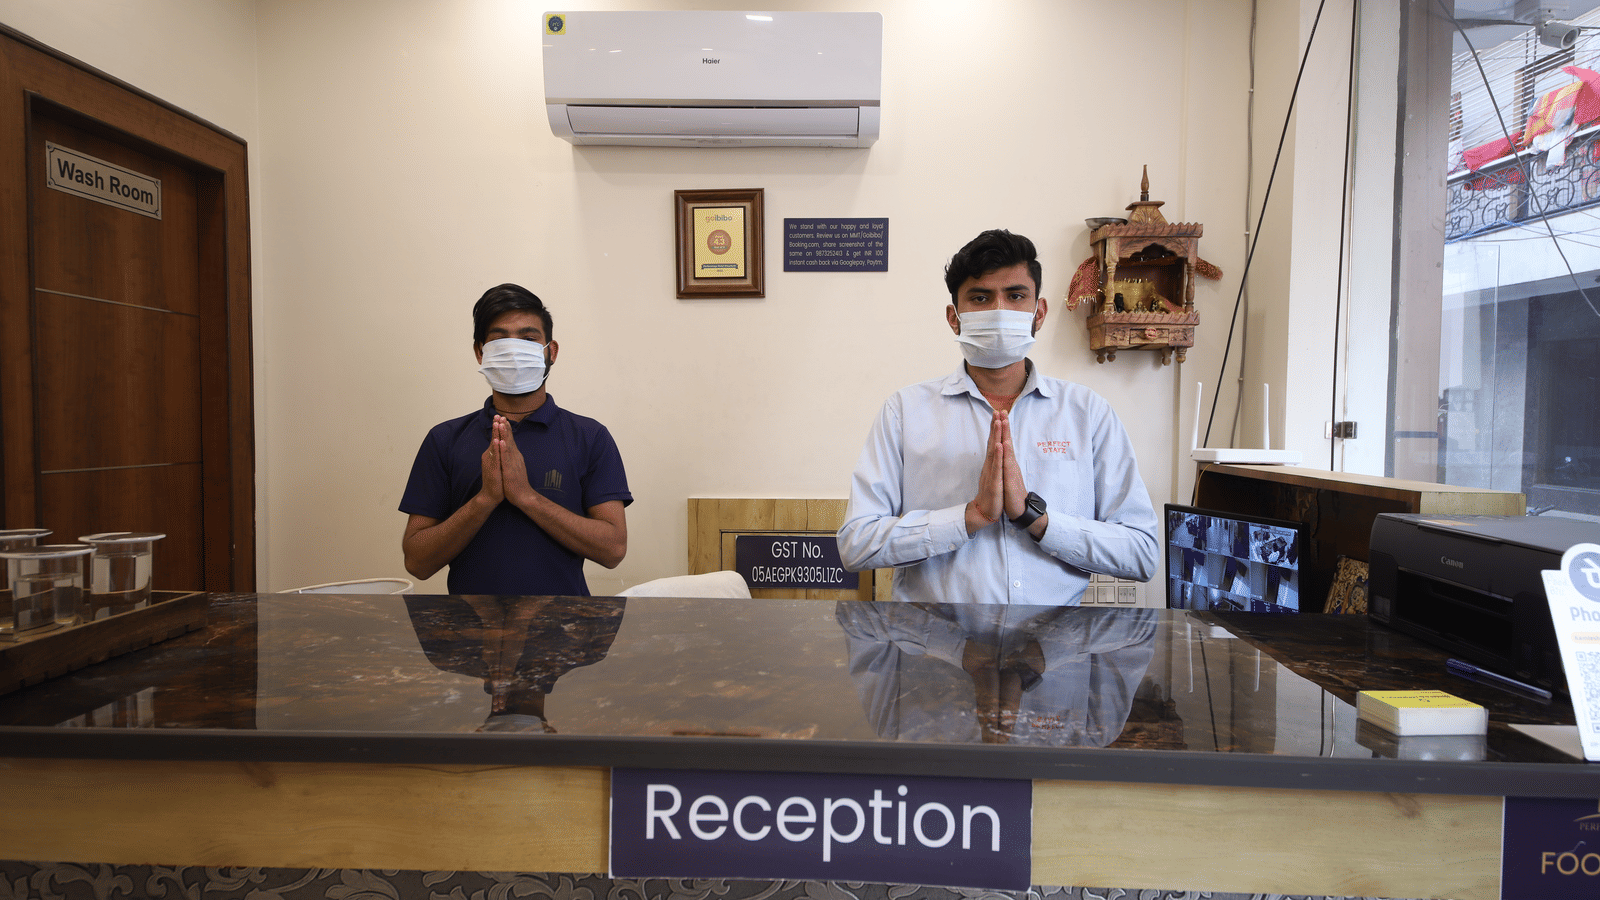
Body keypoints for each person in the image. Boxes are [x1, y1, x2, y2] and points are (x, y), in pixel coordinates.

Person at [836, 229, 1158, 605]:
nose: (999, 310)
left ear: (1039, 314)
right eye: (980, 297)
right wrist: (968, 518)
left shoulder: (1088, 413)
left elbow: (1142, 553)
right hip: (936, 652)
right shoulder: (905, 412)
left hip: (1054, 651)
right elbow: (856, 545)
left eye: (1016, 295)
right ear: (954, 318)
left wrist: (1035, 519)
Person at [400, 283, 631, 595]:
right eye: (498, 339)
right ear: (480, 352)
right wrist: (485, 499)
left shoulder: (590, 437)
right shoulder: (444, 440)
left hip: (565, 633)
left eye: (528, 337)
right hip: (471, 634)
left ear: (552, 351)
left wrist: (526, 496)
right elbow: (417, 562)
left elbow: (613, 550)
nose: (513, 349)